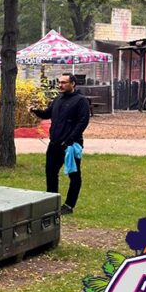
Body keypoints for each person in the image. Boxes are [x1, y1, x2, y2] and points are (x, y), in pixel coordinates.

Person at [31, 73, 91, 215]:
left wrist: (71, 139)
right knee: (51, 173)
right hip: (54, 143)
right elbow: (47, 114)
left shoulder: (81, 100)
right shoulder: (58, 99)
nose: (60, 85)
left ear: (73, 83)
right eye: (59, 82)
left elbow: (83, 121)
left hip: (71, 145)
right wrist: (36, 111)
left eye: (64, 82)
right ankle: (51, 202)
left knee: (74, 175)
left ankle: (69, 205)